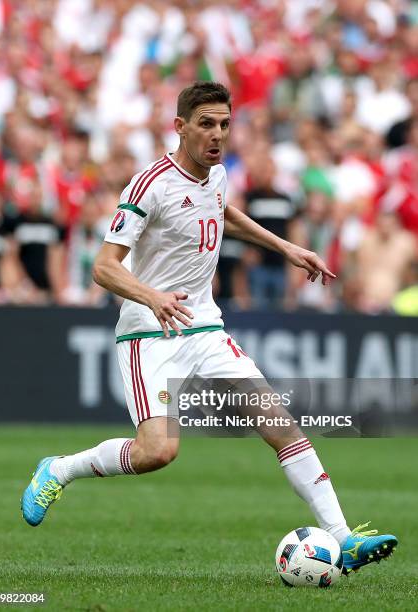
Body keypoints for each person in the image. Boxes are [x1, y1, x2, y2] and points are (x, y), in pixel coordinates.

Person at [21, 81, 397, 574]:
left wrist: (285, 247)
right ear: (179, 127)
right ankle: (60, 469)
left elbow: (221, 212)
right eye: (205, 124)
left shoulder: (216, 177)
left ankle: (344, 539)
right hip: (148, 332)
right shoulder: (148, 184)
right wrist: (153, 297)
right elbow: (104, 266)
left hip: (204, 325)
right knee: (158, 452)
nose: (217, 135)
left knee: (279, 424)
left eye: (224, 124)